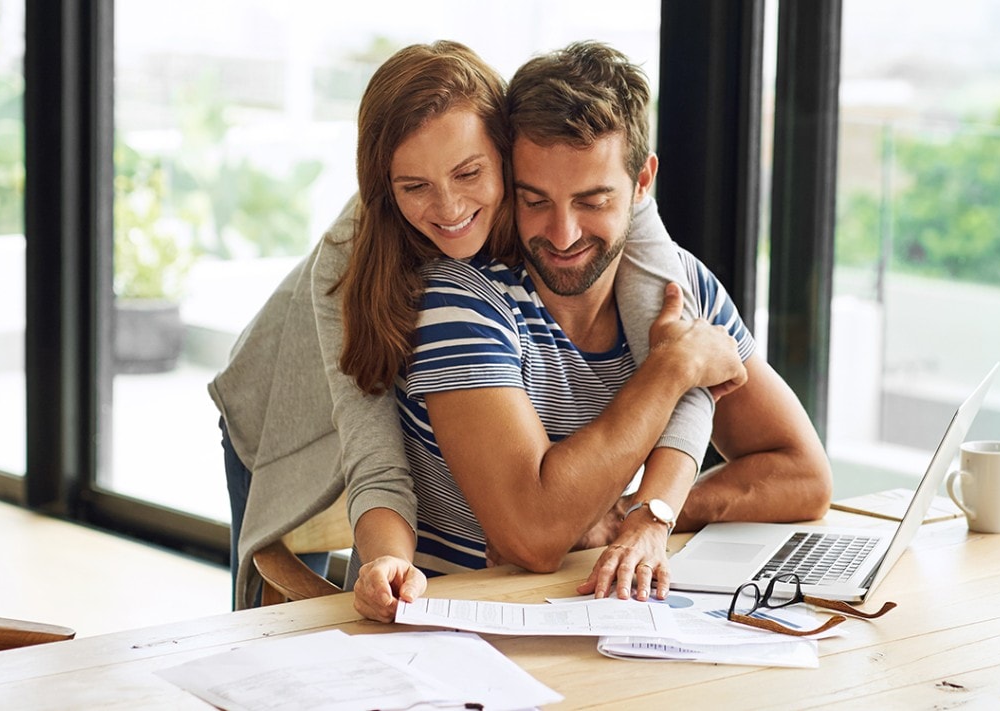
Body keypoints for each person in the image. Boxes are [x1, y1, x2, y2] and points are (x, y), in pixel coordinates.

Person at [209, 40, 728, 611]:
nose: (450, 208)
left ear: (505, 153)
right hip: (287, 410)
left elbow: (678, 345)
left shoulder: (583, 193)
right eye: (414, 187)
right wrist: (390, 559)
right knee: (278, 624)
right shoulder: (351, 251)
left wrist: (647, 508)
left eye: (469, 173)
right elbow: (374, 450)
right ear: (386, 185)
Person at [352, 41, 832, 621]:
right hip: (470, 629)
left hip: (596, 618)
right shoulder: (461, 300)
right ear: (511, 179)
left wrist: (641, 512)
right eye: (535, 200)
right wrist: (671, 370)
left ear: (641, 182)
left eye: (593, 200)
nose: (562, 233)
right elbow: (533, 535)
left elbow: (803, 475)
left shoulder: (679, 286)